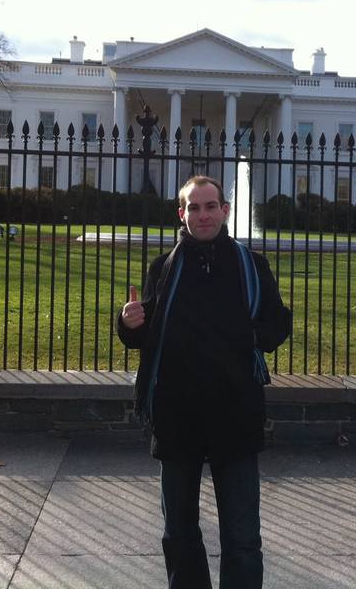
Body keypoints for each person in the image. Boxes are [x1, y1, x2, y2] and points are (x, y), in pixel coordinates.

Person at [117, 175, 292, 589]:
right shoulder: (164, 268)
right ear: (182, 214)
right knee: (179, 534)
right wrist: (127, 324)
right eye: (193, 208)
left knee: (243, 538)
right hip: (177, 416)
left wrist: (249, 336)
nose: (203, 214)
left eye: (210, 206)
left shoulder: (251, 265)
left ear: (225, 210)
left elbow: (278, 323)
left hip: (235, 416)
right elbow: (147, 333)